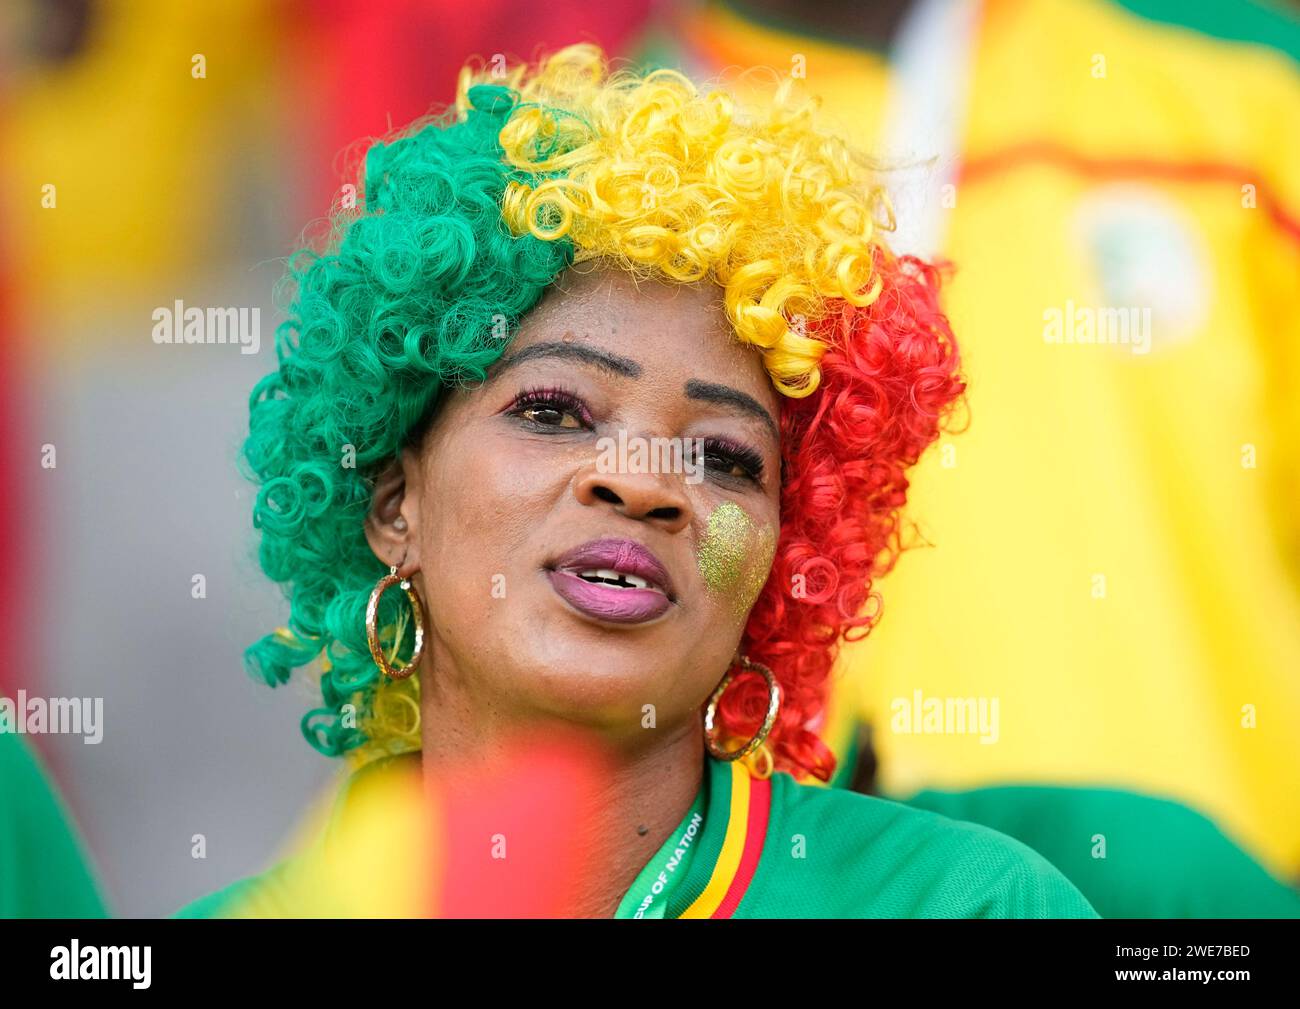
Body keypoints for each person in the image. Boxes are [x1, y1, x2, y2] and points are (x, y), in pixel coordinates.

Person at [177, 44, 1095, 918]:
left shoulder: (965, 904)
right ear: (393, 506)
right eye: (554, 410)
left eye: (723, 458)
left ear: (781, 563)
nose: (643, 485)